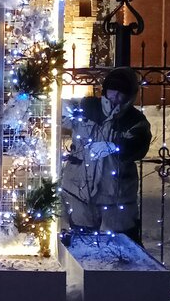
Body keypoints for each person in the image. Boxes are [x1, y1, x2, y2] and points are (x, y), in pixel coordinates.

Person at [60, 66, 152, 241]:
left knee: (123, 243)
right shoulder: (88, 106)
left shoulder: (135, 120)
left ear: (130, 96)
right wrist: (62, 107)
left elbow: (139, 146)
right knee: (82, 241)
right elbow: (58, 112)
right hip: (79, 190)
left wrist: (114, 145)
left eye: (121, 93)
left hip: (116, 194)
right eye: (112, 91)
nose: (115, 97)